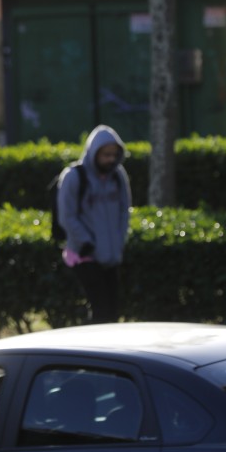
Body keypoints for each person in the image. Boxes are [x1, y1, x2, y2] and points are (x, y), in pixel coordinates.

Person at [57, 125, 131, 323]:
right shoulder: (73, 177)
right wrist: (86, 241)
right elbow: (67, 216)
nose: (110, 160)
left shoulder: (117, 176)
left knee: (113, 311)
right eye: (105, 155)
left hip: (111, 255)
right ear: (94, 152)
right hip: (85, 255)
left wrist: (119, 240)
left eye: (113, 155)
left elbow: (124, 211)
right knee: (101, 311)